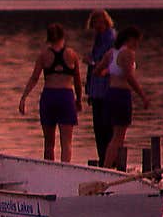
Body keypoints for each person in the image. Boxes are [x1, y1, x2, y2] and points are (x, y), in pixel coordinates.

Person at [19, 23, 83, 162]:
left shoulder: (44, 55)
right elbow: (77, 81)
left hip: (49, 97)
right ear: (63, 36)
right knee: (66, 143)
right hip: (66, 97)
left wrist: (24, 97)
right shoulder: (72, 54)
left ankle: (49, 171)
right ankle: (65, 172)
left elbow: (34, 78)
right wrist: (78, 100)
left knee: (49, 144)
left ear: (48, 38)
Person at [95, 26, 150, 169]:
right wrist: (143, 95)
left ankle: (111, 165)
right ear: (130, 39)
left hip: (110, 94)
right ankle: (107, 168)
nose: (137, 45)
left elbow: (97, 71)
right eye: (136, 41)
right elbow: (128, 76)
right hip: (121, 95)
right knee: (118, 136)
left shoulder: (111, 53)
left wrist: (108, 71)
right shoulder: (128, 53)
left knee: (115, 135)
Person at [84, 10, 116, 161]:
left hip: (106, 88)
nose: (97, 27)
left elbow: (108, 63)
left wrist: (91, 62)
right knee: (98, 127)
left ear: (105, 22)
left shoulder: (110, 38)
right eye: (95, 24)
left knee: (106, 127)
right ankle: (103, 158)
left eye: (100, 23)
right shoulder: (98, 38)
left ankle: (109, 160)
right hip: (96, 89)